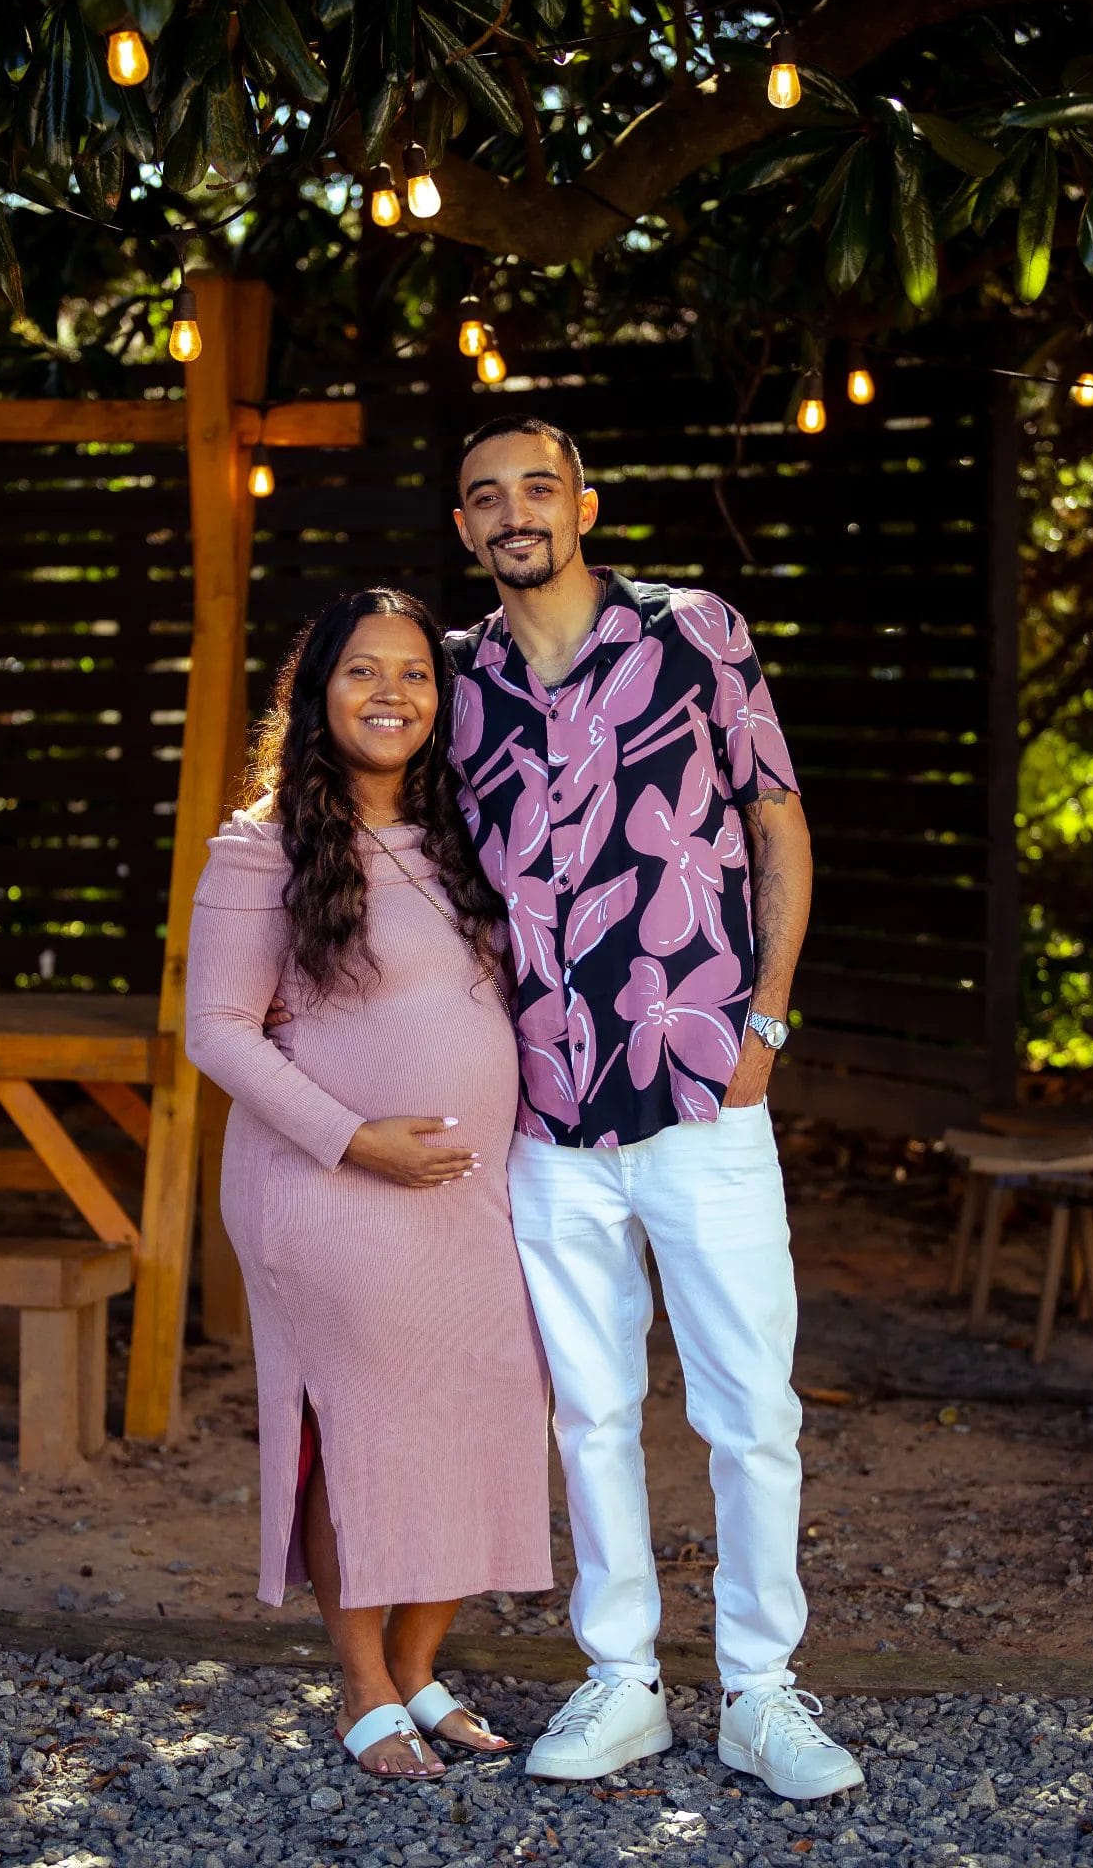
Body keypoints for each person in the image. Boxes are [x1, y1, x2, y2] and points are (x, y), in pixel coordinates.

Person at [444, 415, 864, 1799]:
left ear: (585, 503)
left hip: (702, 1091)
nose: (515, 512)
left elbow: (778, 819)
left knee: (751, 1409)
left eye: (537, 487)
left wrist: (768, 1018)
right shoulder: (459, 684)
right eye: (486, 497)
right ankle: (620, 1680)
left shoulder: (697, 630)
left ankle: (761, 1691)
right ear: (465, 529)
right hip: (547, 1110)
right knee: (589, 1412)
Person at [183, 588, 551, 1781]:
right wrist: (354, 1140)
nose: (391, 694)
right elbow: (220, 1033)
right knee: (369, 1431)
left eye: (414, 675)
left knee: (494, 1404)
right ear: (316, 695)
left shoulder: (461, 835)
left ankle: (419, 1664)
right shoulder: (262, 841)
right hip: (327, 1189)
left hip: (466, 1199)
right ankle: (361, 1683)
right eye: (361, 672)